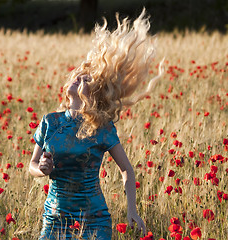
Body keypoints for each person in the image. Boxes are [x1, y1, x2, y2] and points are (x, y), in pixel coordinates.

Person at [29, 9, 164, 240]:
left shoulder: (102, 127)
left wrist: (132, 210)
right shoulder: (50, 122)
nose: (78, 78)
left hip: (94, 220)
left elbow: (126, 170)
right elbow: (31, 165)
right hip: (54, 218)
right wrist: (42, 169)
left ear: (95, 94)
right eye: (77, 75)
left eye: (86, 79)